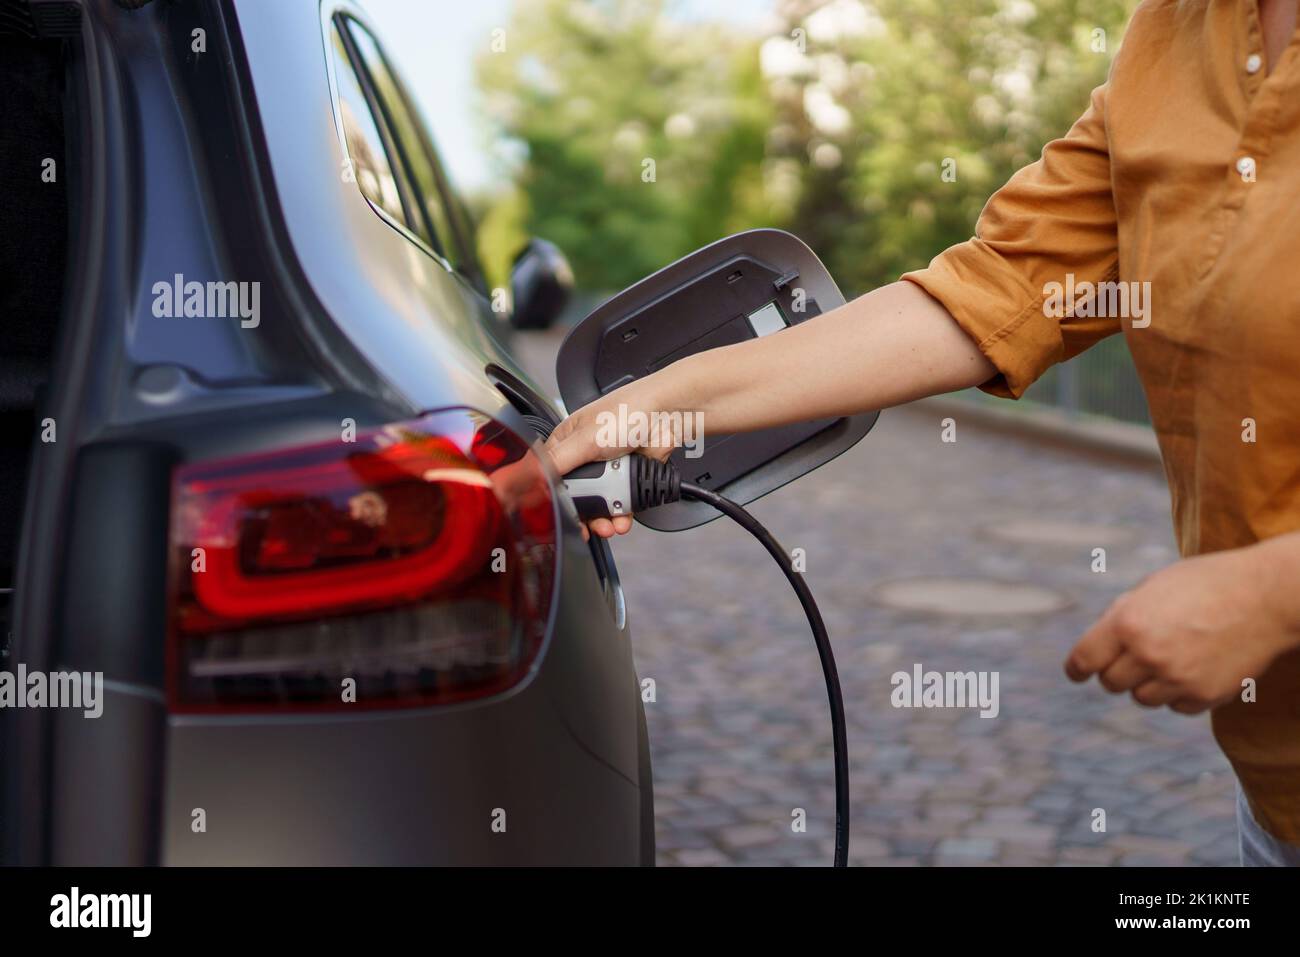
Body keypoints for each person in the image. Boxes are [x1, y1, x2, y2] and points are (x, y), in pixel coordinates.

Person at [543, 0, 1300, 866]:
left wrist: (1274, 592)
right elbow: (1002, 287)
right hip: (1276, 788)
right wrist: (667, 398)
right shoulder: (1172, 38)